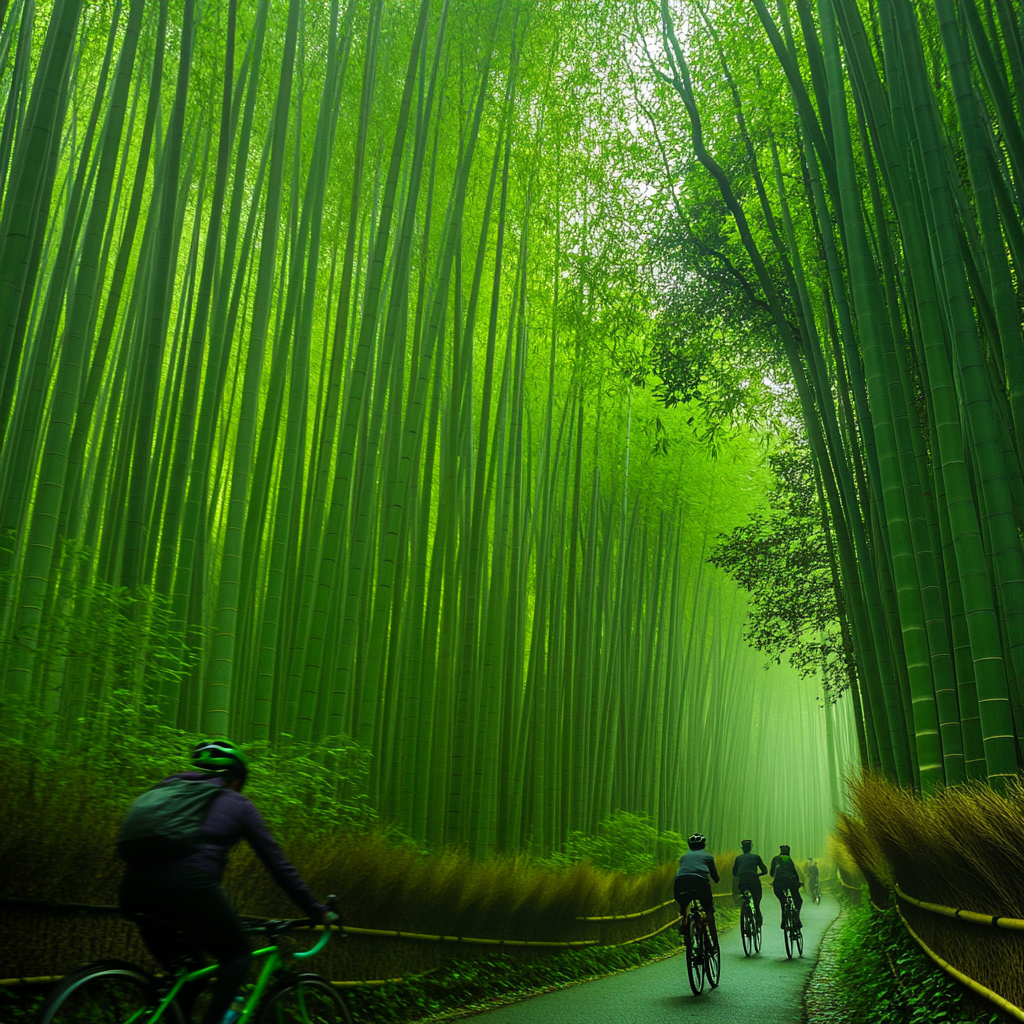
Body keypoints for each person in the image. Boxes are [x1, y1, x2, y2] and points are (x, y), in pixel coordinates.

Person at [119, 741, 330, 1024]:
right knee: (238, 955)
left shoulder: (166, 789)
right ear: (236, 781)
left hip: (133, 889)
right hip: (187, 886)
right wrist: (316, 910)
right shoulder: (237, 803)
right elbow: (278, 866)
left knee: (192, 971)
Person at [674, 833, 720, 951]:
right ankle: (714, 944)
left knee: (684, 905)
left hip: (680, 882)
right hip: (700, 882)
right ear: (704, 845)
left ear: (690, 846)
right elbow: (715, 877)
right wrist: (716, 879)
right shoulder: (708, 857)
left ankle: (684, 924)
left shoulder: (683, 857)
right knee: (709, 911)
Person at [732, 839, 768, 926]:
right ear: (751, 848)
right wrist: (758, 875)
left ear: (742, 848)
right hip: (753, 879)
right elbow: (765, 871)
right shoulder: (756, 857)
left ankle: (745, 909)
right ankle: (757, 914)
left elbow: (734, 873)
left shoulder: (738, 858)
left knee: (744, 896)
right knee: (756, 899)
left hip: (741, 880)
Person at [770, 844, 802, 929]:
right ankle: (797, 918)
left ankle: (784, 922)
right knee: (798, 900)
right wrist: (798, 883)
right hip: (790, 881)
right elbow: (794, 873)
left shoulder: (775, 859)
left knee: (783, 901)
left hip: (778, 882)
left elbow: (771, 873)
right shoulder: (788, 859)